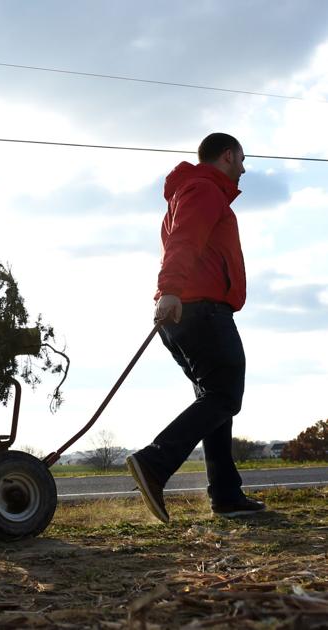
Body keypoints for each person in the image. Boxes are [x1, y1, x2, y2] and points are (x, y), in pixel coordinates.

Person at [126, 132, 266, 523]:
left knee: (216, 401)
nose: (243, 168)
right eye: (241, 159)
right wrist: (169, 290)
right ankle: (155, 462)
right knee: (224, 396)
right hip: (199, 309)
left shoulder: (193, 191)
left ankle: (226, 494)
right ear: (226, 156)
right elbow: (183, 241)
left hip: (186, 310)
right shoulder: (204, 190)